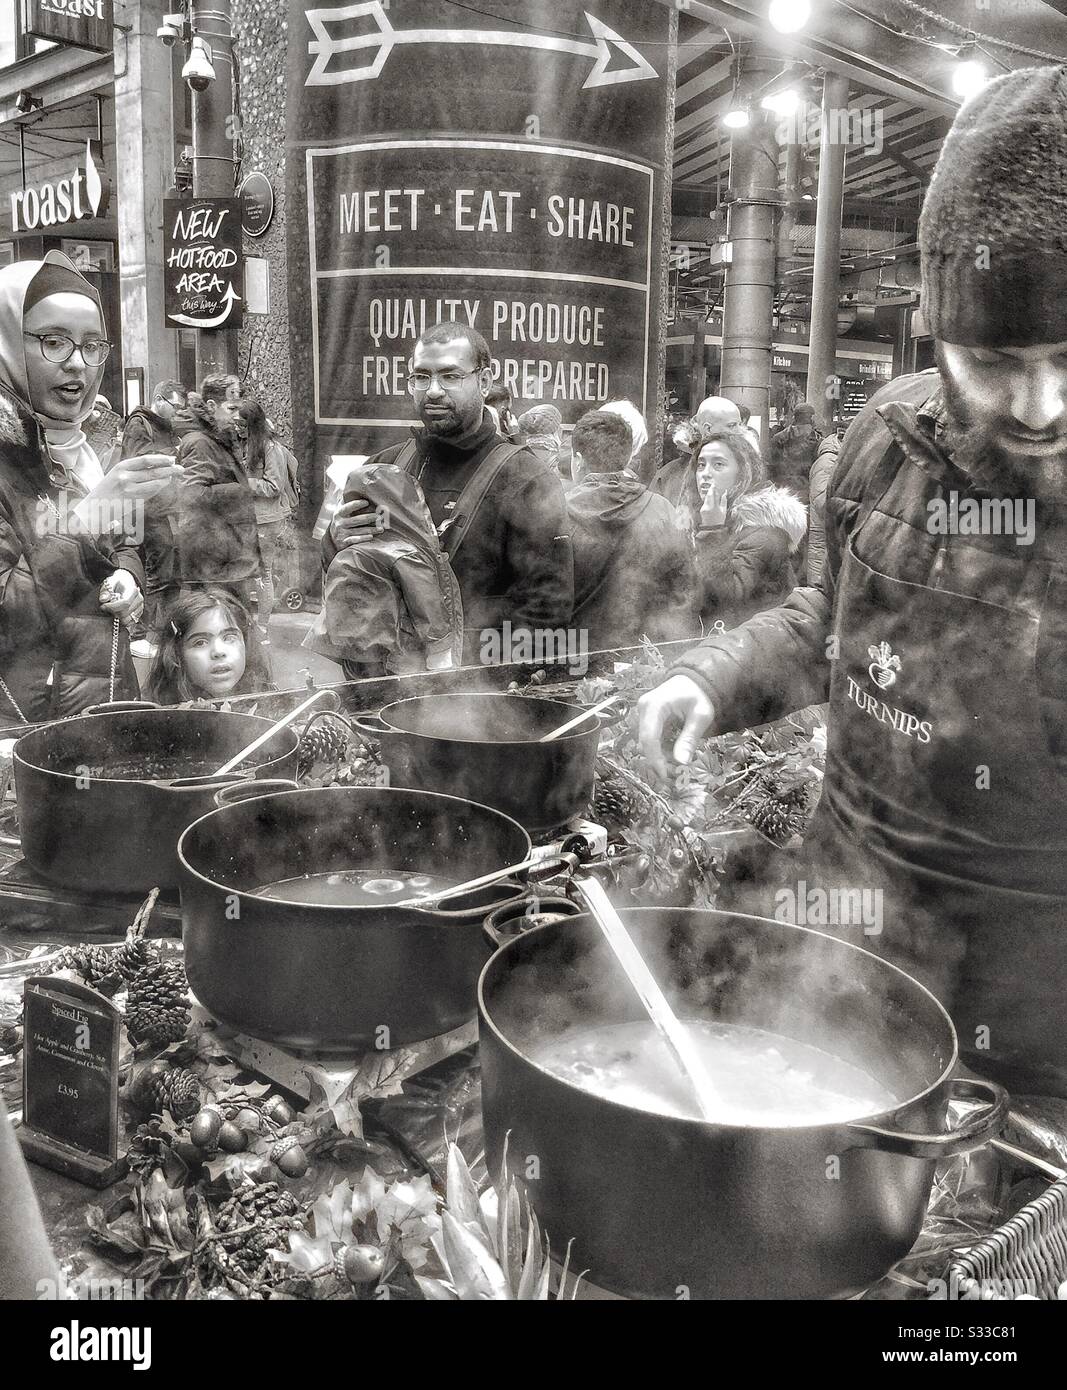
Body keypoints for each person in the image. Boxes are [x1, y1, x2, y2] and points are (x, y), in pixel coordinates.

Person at [637, 65, 1067, 1099]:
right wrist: (708, 679)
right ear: (933, 326)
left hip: (1033, 1019)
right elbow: (824, 616)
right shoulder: (886, 437)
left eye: (1066, 356)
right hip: (847, 937)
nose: (1039, 404)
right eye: (995, 357)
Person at [0, 253, 181, 720]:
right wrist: (87, 519)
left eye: (92, 345)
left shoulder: (89, 447)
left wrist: (128, 578)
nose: (78, 364)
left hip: (104, 710)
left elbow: (120, 545)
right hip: (21, 733)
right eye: (55, 341)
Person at [325, 322, 572, 664]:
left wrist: (466, 678)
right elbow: (343, 579)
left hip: (473, 701)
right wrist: (336, 540)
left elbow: (547, 614)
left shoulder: (527, 479)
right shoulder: (380, 469)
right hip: (381, 689)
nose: (433, 391)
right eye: (421, 377)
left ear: (484, 382)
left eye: (450, 376)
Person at [306, 460, 464, 678]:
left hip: (350, 648)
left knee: (360, 695)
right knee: (398, 698)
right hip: (395, 652)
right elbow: (426, 600)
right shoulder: (403, 554)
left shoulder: (349, 552)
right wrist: (440, 651)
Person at [567, 409, 696, 651]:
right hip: (644, 656)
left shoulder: (556, 514)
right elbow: (684, 588)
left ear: (578, 460)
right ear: (626, 460)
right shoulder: (663, 510)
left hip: (573, 656)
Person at [684, 425, 806, 630]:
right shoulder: (711, 516)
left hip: (753, 651)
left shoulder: (765, 533)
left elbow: (725, 600)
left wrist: (712, 529)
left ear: (742, 473)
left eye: (719, 464)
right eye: (701, 464)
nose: (705, 474)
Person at [174, 373, 260, 605]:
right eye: (231, 408)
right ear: (211, 406)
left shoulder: (218, 438)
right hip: (212, 567)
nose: (237, 415)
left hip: (225, 561)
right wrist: (239, 490)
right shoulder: (200, 442)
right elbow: (192, 495)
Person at [118, 379, 190, 626]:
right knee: (158, 574)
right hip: (148, 511)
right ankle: (140, 631)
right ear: (159, 400)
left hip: (168, 508)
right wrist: (178, 454)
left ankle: (169, 628)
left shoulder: (165, 425)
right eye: (176, 407)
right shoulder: (139, 423)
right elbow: (140, 460)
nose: (179, 413)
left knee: (173, 574)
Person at [146, 586, 270, 704]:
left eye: (229, 638)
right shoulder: (155, 715)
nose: (218, 652)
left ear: (246, 644)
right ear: (177, 654)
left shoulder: (269, 702)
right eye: (200, 642)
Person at [237, 397, 290, 644]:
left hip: (267, 520)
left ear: (252, 423)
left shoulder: (269, 447)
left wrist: (243, 484)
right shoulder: (243, 443)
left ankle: (264, 628)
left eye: (241, 423)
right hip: (247, 517)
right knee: (246, 572)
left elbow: (274, 485)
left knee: (263, 573)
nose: (237, 427)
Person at [651, 395, 742, 506]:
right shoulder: (670, 474)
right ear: (708, 429)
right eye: (732, 426)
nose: (739, 432)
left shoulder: (745, 467)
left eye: (740, 424)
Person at [767, 401, 822, 505]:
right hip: (806, 492)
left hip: (783, 492)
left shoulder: (778, 438)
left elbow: (772, 467)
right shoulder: (817, 440)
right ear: (811, 418)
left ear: (794, 417)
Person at [805, 430, 841, 590]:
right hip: (823, 538)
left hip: (828, 538)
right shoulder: (827, 461)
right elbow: (822, 503)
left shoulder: (834, 459)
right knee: (819, 590)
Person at [517, 404, 563, 471]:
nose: (561, 428)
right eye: (558, 425)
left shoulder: (524, 451)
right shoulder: (553, 458)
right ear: (552, 432)